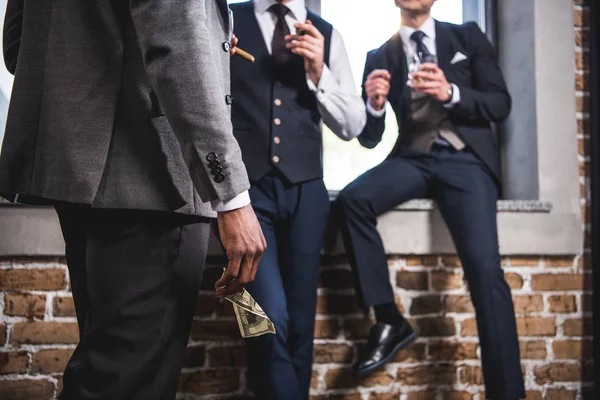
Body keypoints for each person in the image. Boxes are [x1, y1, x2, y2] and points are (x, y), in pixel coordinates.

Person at [0, 1, 266, 399]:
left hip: (78, 179)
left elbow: (19, 43)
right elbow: (177, 48)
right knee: (129, 381)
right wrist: (230, 196)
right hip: (154, 184)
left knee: (104, 371)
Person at [335, 1, 526, 399]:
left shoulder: (467, 37)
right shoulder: (379, 54)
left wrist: (451, 91)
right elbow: (369, 137)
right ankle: (388, 319)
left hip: (465, 160)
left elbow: (500, 104)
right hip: (413, 158)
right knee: (351, 200)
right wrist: (372, 105)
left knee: (486, 275)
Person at [227, 0, 365, 398]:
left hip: (306, 194)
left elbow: (353, 125)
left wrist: (319, 72)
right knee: (260, 319)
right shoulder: (227, 17)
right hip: (241, 198)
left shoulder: (326, 33)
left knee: (301, 326)